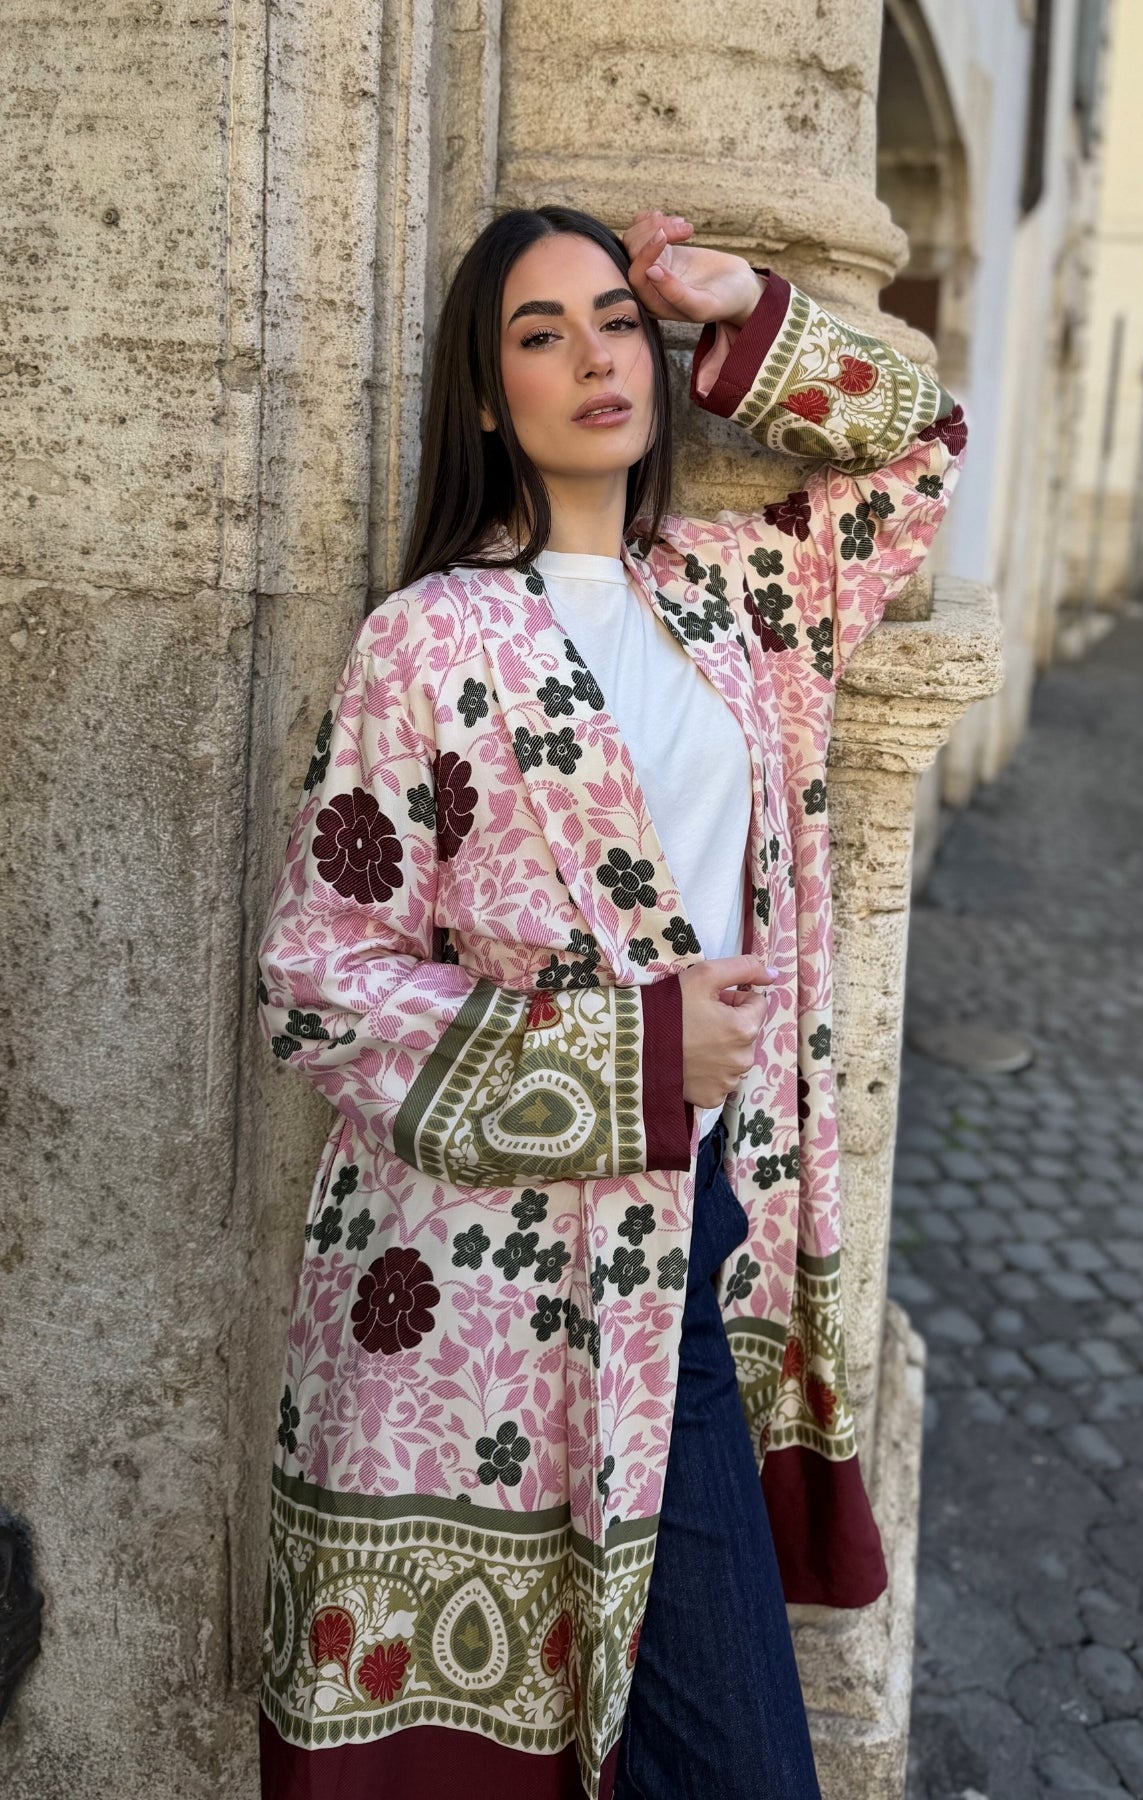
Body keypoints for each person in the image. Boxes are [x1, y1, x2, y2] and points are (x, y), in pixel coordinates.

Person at [255, 204, 968, 1800]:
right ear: (483, 394)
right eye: (542, 332)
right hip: (479, 1302)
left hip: (691, 1252)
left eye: (618, 321)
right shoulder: (426, 641)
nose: (596, 356)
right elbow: (318, 985)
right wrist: (635, 1054)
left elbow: (923, 452)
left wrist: (741, 308)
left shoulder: (740, 602)